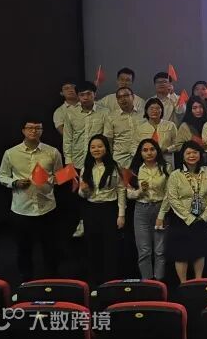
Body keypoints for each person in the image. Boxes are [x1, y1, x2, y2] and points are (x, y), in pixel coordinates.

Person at [0, 118, 63, 281]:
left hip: (47, 208)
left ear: (42, 130)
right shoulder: (11, 153)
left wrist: (49, 179)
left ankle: (52, 282)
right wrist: (15, 182)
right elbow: (1, 175)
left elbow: (59, 176)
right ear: (23, 131)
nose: (34, 131)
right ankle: (25, 282)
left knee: (50, 249)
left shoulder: (53, 152)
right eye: (30, 128)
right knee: (24, 249)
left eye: (38, 128)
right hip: (21, 209)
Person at [160, 141, 207, 283]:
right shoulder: (175, 175)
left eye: (195, 152)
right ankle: (183, 284)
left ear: (200, 154)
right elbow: (172, 198)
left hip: (201, 218)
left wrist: (205, 215)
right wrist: (189, 217)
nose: (192, 156)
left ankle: (198, 281)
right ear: (183, 156)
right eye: (188, 153)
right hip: (181, 220)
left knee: (199, 251)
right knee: (181, 254)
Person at [77, 135, 126, 286]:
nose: (96, 150)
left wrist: (121, 215)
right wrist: (84, 190)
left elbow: (121, 190)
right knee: (93, 246)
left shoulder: (114, 167)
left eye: (99, 146)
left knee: (110, 247)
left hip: (109, 209)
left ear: (106, 148)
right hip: (91, 210)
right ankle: (94, 282)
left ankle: (110, 282)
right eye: (93, 147)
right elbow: (82, 194)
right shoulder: (86, 168)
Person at [128, 138, 169, 281]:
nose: (149, 153)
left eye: (152, 149)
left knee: (160, 250)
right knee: (144, 250)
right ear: (140, 153)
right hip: (141, 209)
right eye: (145, 150)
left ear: (157, 151)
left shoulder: (166, 167)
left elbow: (169, 193)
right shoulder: (134, 170)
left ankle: (159, 282)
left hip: (160, 208)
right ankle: (147, 283)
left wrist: (162, 214)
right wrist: (140, 191)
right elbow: (128, 194)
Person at [64, 81, 107, 172]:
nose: (85, 97)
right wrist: (68, 161)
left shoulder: (105, 112)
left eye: (89, 94)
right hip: (77, 160)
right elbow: (67, 139)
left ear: (95, 94)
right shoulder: (70, 113)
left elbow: (107, 137)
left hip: (99, 160)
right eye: (82, 95)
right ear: (77, 96)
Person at [104, 86, 144, 169]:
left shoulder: (143, 114)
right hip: (120, 158)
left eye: (126, 96)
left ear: (133, 97)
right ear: (117, 100)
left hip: (141, 156)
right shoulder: (111, 117)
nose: (123, 99)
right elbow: (109, 140)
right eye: (119, 97)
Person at [138, 98, 180, 168]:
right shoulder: (140, 128)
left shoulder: (170, 125)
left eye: (157, 108)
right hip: (146, 161)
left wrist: (167, 149)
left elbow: (178, 144)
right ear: (146, 111)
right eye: (151, 108)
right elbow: (134, 146)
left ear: (162, 110)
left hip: (167, 159)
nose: (154, 111)